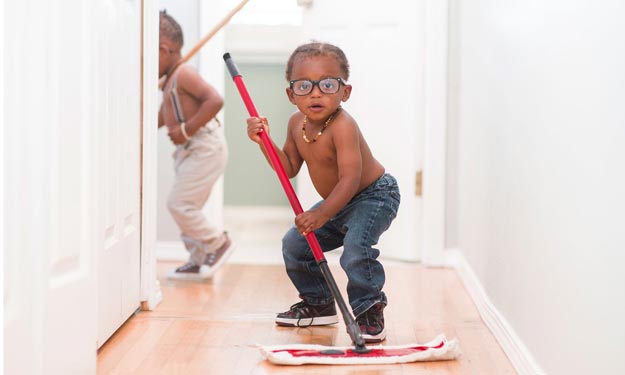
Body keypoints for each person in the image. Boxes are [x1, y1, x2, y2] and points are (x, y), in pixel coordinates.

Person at [245, 42, 400, 343]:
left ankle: (369, 309)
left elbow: (351, 179)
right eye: (304, 86)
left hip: (373, 195)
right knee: (295, 244)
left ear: (345, 92)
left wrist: (321, 213)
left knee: (356, 247)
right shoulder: (295, 124)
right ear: (291, 94)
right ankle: (319, 303)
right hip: (338, 202)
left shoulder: (343, 126)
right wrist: (263, 141)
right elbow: (288, 167)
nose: (316, 93)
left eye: (328, 84)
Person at [158, 10, 234, 280]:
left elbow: (214, 100)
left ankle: (216, 242)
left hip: (204, 146)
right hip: (188, 150)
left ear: (164, 50)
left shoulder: (184, 74)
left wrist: (185, 130)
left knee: (179, 204)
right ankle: (198, 256)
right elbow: (164, 115)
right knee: (187, 205)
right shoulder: (169, 80)